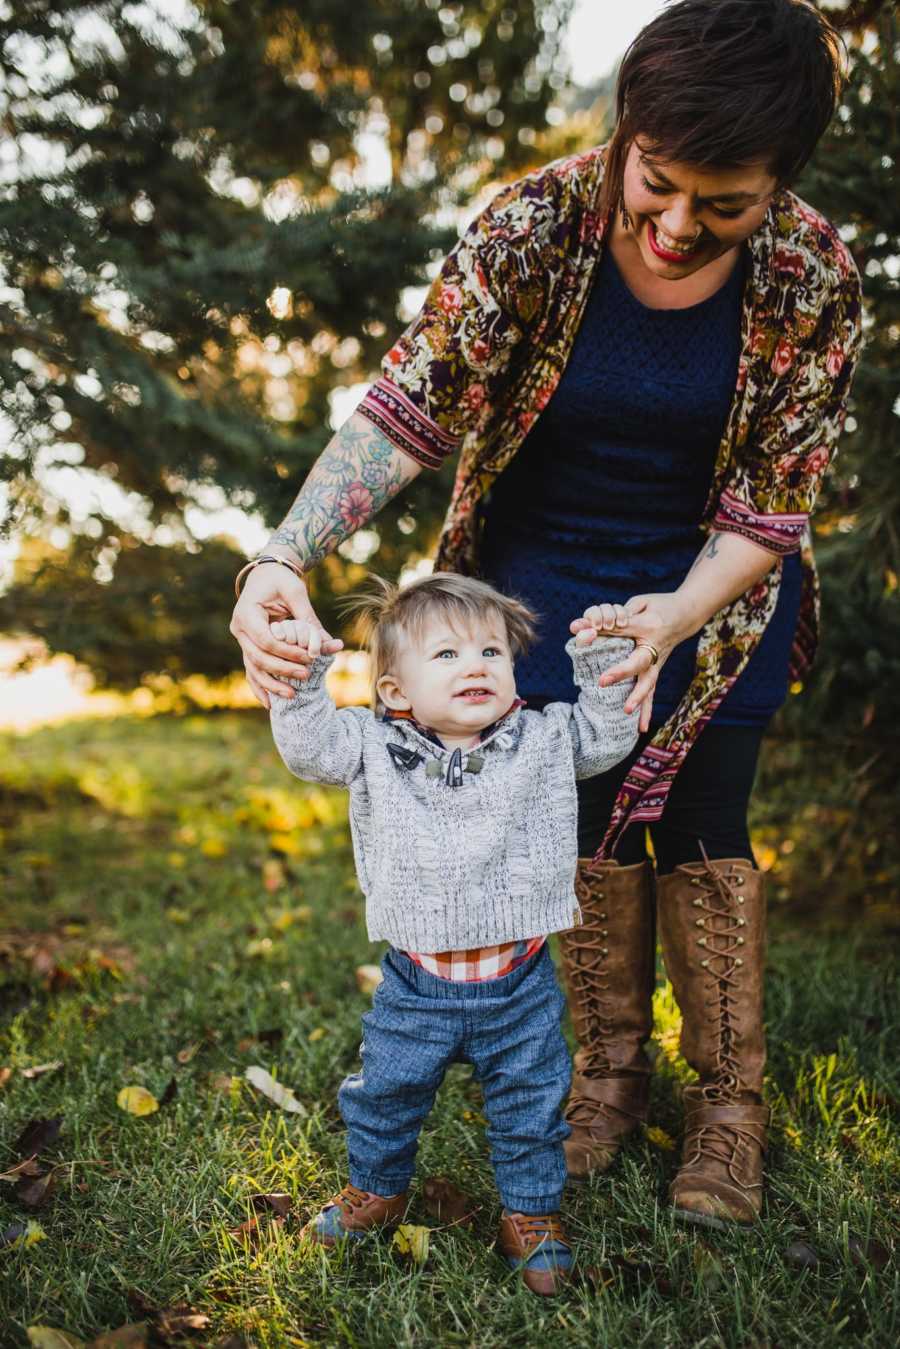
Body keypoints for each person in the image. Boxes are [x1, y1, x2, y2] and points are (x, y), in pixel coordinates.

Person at [231, 0, 862, 1229]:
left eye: (723, 205)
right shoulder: (532, 227)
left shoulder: (812, 277)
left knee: (703, 828)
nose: (679, 227)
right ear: (626, 133)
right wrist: (283, 553)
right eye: (658, 183)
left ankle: (730, 1106)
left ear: (780, 184)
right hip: (535, 594)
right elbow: (404, 411)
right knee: (569, 828)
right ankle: (610, 1079)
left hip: (715, 594)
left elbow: (769, 505)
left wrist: (674, 615)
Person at [267, 572, 638, 1294]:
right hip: (416, 982)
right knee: (384, 1092)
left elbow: (607, 734)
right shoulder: (373, 743)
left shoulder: (544, 737)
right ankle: (378, 1187)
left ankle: (530, 1213)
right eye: (447, 655)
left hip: (520, 980)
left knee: (531, 1101)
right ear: (396, 692)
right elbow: (310, 748)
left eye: (492, 653)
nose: (476, 665)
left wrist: (600, 664)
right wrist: (305, 674)